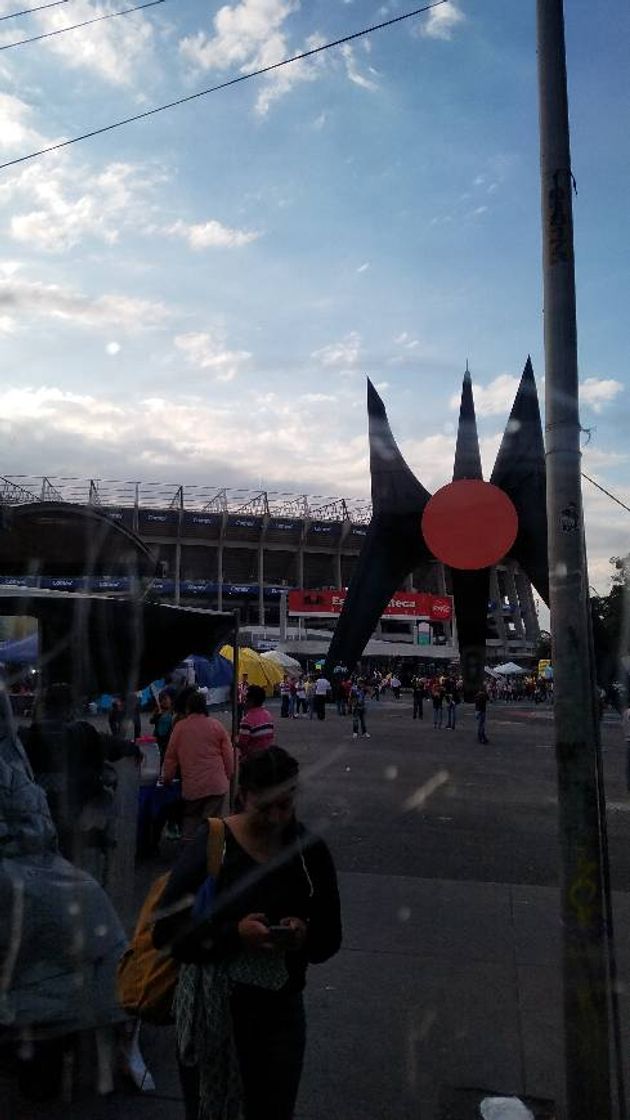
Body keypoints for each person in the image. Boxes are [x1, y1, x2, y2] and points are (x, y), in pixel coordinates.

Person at [153, 747, 342, 1120]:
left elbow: (330, 938)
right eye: (264, 808)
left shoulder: (309, 851)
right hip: (211, 1013)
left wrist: (303, 934)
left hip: (280, 1017)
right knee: (209, 1109)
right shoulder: (214, 843)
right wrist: (234, 935)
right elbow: (166, 932)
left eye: (284, 807)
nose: (275, 818)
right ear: (243, 796)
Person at [162, 691, 234, 840]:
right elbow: (228, 755)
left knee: (191, 820)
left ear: (189, 708)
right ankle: (211, 857)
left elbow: (170, 757)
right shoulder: (216, 725)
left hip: (193, 786)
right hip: (216, 784)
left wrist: (167, 778)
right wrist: (229, 774)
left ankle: (189, 854)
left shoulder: (180, 728)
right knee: (212, 825)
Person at [237, 684, 275, 758]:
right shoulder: (268, 715)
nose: (244, 702)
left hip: (253, 759)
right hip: (268, 755)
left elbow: (242, 743)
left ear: (251, 701)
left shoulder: (247, 720)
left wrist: (233, 743)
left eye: (246, 699)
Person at [149, 689, 174, 764]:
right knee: (159, 756)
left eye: (166, 699)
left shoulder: (173, 711)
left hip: (169, 738)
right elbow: (151, 721)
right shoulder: (158, 710)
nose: (165, 702)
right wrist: (158, 715)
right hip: (158, 737)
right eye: (163, 700)